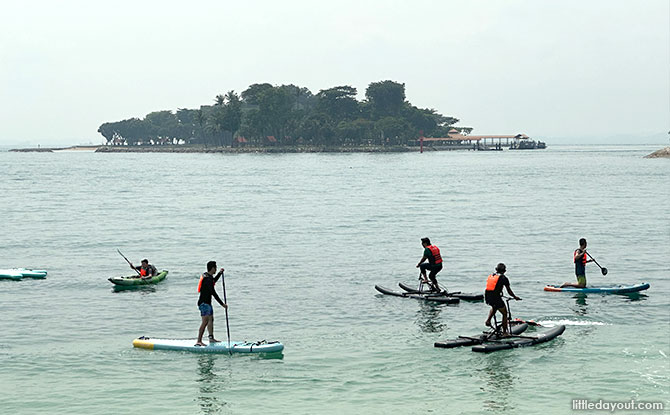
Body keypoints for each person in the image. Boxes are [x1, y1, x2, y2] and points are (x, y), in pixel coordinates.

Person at [195, 261, 228, 347]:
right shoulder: (207, 279)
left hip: (207, 303)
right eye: (215, 268)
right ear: (212, 268)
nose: (216, 269)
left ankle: (211, 338)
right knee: (205, 321)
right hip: (204, 303)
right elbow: (213, 292)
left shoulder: (208, 276)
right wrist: (222, 304)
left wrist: (220, 273)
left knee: (211, 319)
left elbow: (213, 281)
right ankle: (199, 341)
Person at [484, 263, 521, 335]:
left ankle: (488, 321)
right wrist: (515, 297)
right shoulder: (504, 278)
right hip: (496, 297)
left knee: (494, 307)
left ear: (496, 269)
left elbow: (494, 287)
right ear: (505, 271)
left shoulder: (492, 276)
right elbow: (509, 291)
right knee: (505, 313)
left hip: (487, 296)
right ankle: (505, 333)